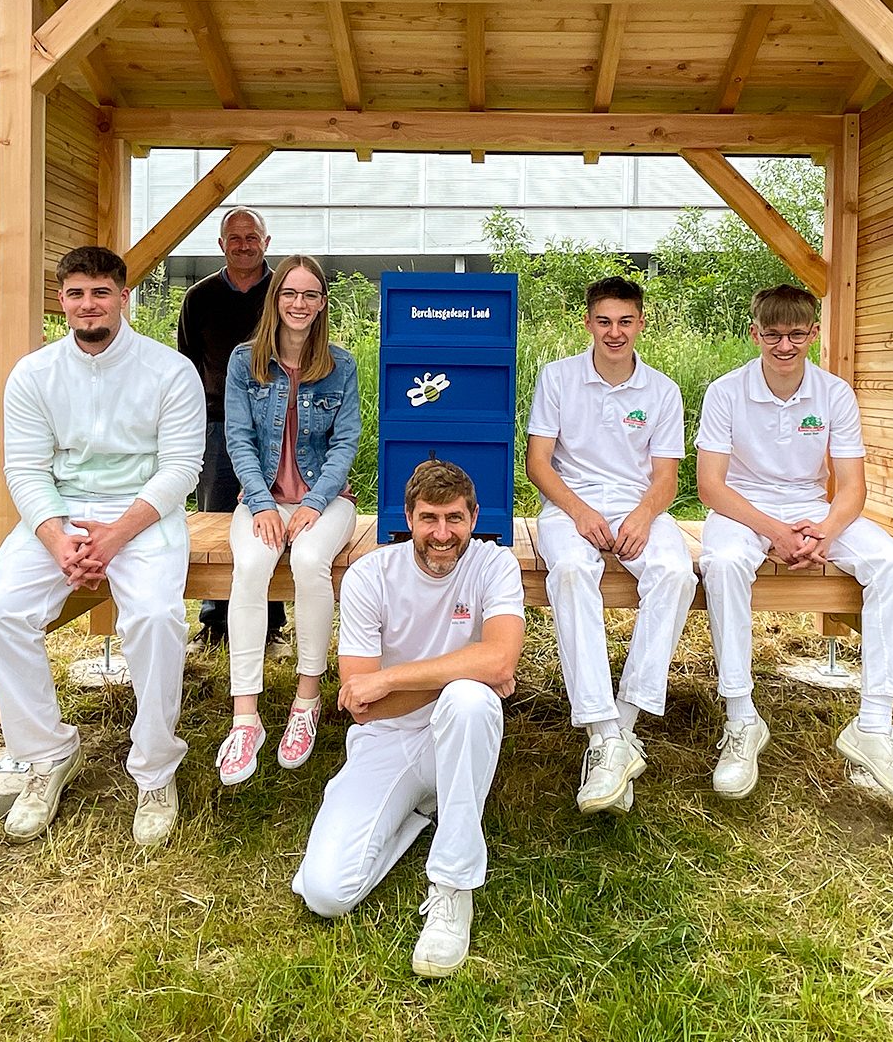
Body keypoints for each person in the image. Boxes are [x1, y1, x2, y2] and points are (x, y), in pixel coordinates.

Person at [0, 246, 205, 846]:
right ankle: (47, 755)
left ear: (123, 297)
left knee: (155, 617)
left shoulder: (169, 371)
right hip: (60, 515)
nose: (88, 305)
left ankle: (154, 770)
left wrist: (116, 534)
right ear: (62, 301)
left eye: (100, 292)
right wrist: (55, 537)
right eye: (75, 293)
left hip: (144, 514)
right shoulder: (33, 373)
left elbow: (182, 468)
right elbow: (24, 469)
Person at [696, 285, 893, 808]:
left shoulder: (834, 393)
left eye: (796, 335)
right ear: (755, 333)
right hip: (743, 508)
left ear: (812, 334)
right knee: (721, 561)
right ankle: (741, 718)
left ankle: (873, 726)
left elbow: (852, 487)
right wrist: (774, 532)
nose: (785, 346)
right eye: (774, 335)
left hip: (812, 509)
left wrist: (823, 532)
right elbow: (712, 487)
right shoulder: (725, 391)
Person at [292, 460, 525, 979]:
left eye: (455, 519)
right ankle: (419, 810)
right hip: (386, 739)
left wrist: (393, 679)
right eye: (429, 519)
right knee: (327, 893)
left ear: (474, 517)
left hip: (459, 732)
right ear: (408, 519)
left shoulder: (494, 564)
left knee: (469, 702)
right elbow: (361, 703)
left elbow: (501, 663)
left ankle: (452, 886)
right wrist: (470, 668)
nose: (442, 535)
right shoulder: (371, 575)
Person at [525, 275, 696, 814]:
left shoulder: (663, 390)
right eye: (604, 321)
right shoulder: (557, 378)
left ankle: (621, 725)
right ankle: (603, 732)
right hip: (569, 505)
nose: (614, 332)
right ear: (588, 323)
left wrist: (645, 516)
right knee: (573, 573)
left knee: (676, 572)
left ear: (641, 323)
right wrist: (579, 512)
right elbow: (538, 463)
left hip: (638, 504)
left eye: (625, 321)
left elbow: (666, 479)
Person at [214, 255, 363, 784]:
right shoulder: (244, 361)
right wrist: (260, 503)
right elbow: (239, 438)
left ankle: (306, 702)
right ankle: (246, 716)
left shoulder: (340, 366)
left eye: (310, 295)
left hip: (326, 501)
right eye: (289, 294)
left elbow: (346, 442)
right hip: (260, 500)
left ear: (322, 303)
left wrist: (313, 504)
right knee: (251, 568)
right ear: (275, 299)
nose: (299, 304)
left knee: (309, 560)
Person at [177, 207, 287, 655]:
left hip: (279, 422)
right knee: (217, 518)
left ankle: (273, 623)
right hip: (217, 421)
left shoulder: (285, 291)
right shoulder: (199, 297)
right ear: (221, 245)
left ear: (266, 240)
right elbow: (185, 364)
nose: (244, 244)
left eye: (252, 236)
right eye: (234, 238)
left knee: (273, 517)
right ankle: (214, 620)